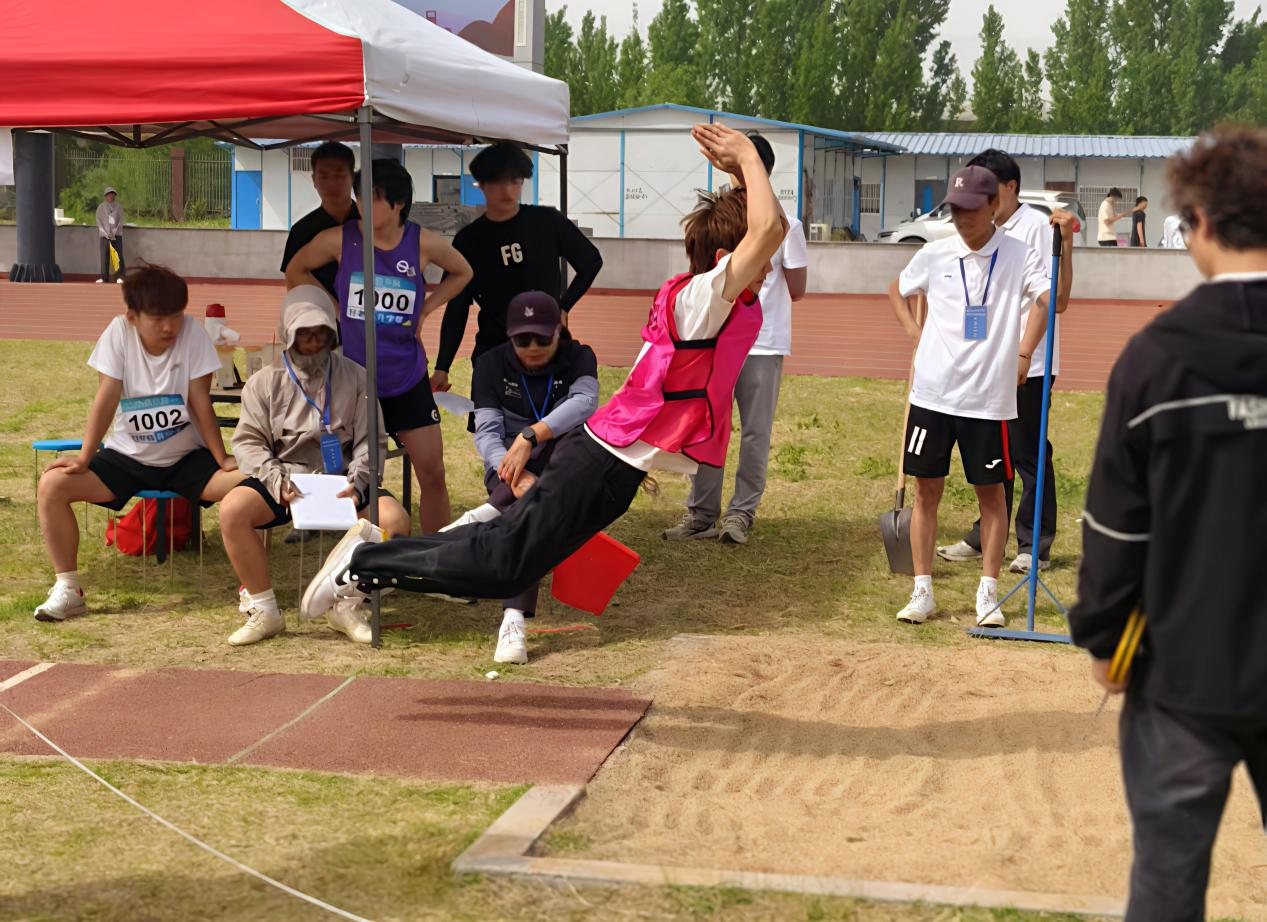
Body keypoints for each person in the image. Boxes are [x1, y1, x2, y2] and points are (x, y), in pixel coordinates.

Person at [298, 123, 785, 627]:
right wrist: (748, 157)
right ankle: (365, 562)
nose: (769, 268)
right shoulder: (703, 298)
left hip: (615, 468)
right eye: (763, 262)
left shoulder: (711, 299)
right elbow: (767, 231)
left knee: (504, 556)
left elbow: (772, 229)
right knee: (501, 564)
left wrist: (743, 180)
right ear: (726, 260)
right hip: (600, 461)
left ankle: (369, 559)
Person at [1068, 124, 1267, 922]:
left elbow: (1116, 526)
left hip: (1183, 671)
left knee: (1167, 880)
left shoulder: (1155, 359)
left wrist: (1102, 639)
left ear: (1200, 221)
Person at [887, 165, 1069, 628]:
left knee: (991, 494)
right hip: (933, 395)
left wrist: (1025, 352)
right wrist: (915, 333)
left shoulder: (1018, 253)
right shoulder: (935, 252)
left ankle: (988, 592)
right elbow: (897, 289)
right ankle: (922, 590)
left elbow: (1052, 299)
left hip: (988, 399)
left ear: (993, 205)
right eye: (955, 209)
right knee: (926, 492)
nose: (962, 218)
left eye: (970, 209)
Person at [35, 267, 241, 621]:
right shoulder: (118, 332)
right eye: (158, 319)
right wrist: (84, 457)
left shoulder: (193, 333)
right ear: (133, 316)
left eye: (176, 316)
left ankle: (253, 588)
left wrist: (222, 458)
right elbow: (107, 396)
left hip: (187, 458)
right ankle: (68, 588)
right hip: (126, 459)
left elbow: (199, 401)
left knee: (252, 480)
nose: (169, 327)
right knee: (52, 485)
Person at [285, 158, 473, 533]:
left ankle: (435, 554)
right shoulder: (340, 239)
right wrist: (334, 307)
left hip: (406, 376)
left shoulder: (421, 241)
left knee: (432, 471)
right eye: (359, 196)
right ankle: (362, 547)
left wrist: (426, 309)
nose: (361, 205)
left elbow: (463, 271)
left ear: (398, 203)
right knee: (353, 473)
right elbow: (295, 269)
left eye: (372, 198)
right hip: (354, 378)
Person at [220, 286, 411, 646]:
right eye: (303, 333)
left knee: (395, 521)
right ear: (287, 334)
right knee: (233, 511)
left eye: (320, 332)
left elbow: (372, 440)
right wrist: (276, 480)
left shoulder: (357, 377)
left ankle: (347, 604)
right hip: (286, 478)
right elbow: (248, 442)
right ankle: (265, 610)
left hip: (344, 479)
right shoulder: (263, 383)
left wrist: (359, 480)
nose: (312, 341)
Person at [664, 132, 808, 546]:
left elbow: (796, 288)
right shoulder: (718, 218)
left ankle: (740, 514)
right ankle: (701, 514)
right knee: (708, 425)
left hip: (762, 342)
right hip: (716, 339)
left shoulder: (785, 225)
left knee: (753, 432)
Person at [937, 149, 1076, 573]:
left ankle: (1034, 545)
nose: (979, 199)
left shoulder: (1035, 228)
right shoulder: (984, 230)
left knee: (1028, 451)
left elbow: (1054, 299)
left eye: (988, 189)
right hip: (988, 359)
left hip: (1027, 362)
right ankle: (986, 534)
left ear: (1010, 188)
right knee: (992, 450)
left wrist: (1025, 352)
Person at [469, 291, 599, 663]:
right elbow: (487, 434)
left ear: (559, 331)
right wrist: (512, 473)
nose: (533, 347)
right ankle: (513, 617)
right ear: (509, 336)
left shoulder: (579, 356)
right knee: (528, 510)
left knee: (536, 496)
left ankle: (479, 522)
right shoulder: (490, 364)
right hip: (508, 469)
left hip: (561, 457)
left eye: (542, 338)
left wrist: (530, 436)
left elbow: (585, 403)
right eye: (522, 340)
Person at [430, 142, 603, 393]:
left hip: (545, 347)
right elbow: (457, 307)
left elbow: (591, 261)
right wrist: (442, 367)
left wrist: (564, 306)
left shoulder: (547, 222)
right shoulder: (468, 241)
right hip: (494, 351)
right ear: (482, 184)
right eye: (498, 181)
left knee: (548, 415)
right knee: (489, 416)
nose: (507, 190)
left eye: (515, 181)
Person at [280, 141, 358, 300]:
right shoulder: (301, 231)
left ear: (353, 177)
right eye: (323, 176)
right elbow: (291, 281)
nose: (331, 184)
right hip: (319, 312)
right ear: (314, 180)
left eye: (339, 176)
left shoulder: (371, 224)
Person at [96, 187, 125, 284]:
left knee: (117, 256)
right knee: (104, 256)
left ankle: (120, 276)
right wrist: (105, 233)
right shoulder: (101, 207)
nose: (111, 196)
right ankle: (104, 277)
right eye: (109, 194)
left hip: (116, 235)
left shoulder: (118, 207)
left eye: (112, 194)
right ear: (105, 196)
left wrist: (114, 231)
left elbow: (121, 220)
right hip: (104, 236)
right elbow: (99, 221)